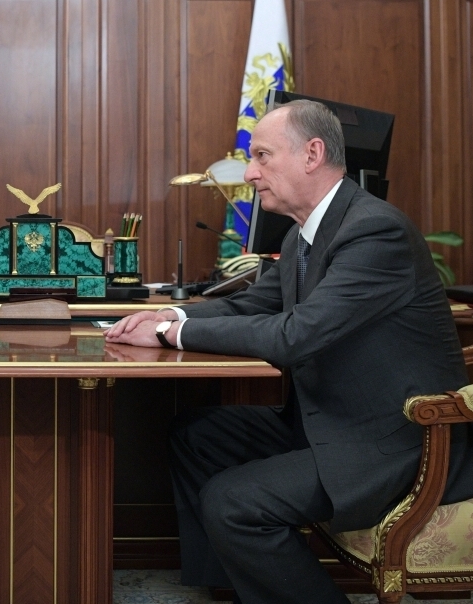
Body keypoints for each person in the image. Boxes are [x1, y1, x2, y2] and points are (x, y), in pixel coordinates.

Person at [104, 99, 472, 604]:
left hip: (399, 444)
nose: (249, 174)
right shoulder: (306, 233)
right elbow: (253, 304)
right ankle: (236, 590)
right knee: (196, 435)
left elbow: (294, 335)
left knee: (233, 503)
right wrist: (170, 316)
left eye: (261, 156)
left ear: (312, 154)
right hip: (333, 423)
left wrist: (171, 336)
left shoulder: (374, 231)